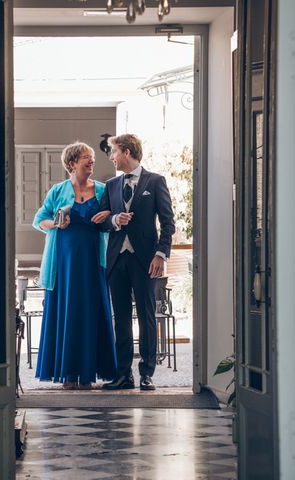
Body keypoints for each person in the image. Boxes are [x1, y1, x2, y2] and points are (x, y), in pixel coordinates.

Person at [92, 134, 175, 391]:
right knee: (122, 318)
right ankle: (123, 375)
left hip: (145, 260)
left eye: (113, 152)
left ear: (126, 151)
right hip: (117, 260)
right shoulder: (111, 185)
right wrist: (115, 220)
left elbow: (168, 222)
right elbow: (102, 221)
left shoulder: (155, 181)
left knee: (147, 317)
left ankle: (147, 374)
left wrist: (160, 255)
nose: (111, 157)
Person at [32, 141, 117, 389]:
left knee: (92, 311)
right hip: (64, 262)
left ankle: (88, 372)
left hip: (93, 260)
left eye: (92, 158)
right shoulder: (58, 191)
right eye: (86, 158)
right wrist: (56, 224)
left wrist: (109, 218)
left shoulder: (103, 190)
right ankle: (68, 373)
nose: (92, 161)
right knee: (67, 310)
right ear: (72, 163)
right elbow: (40, 220)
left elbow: (111, 221)